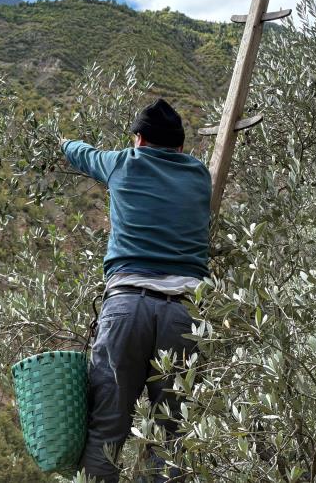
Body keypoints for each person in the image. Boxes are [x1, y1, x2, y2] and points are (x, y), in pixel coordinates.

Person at [59, 98, 211, 483]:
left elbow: (81, 154)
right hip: (185, 317)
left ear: (138, 140)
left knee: (106, 430)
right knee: (174, 436)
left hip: (127, 308)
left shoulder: (123, 162)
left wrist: (62, 142)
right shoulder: (199, 174)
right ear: (180, 147)